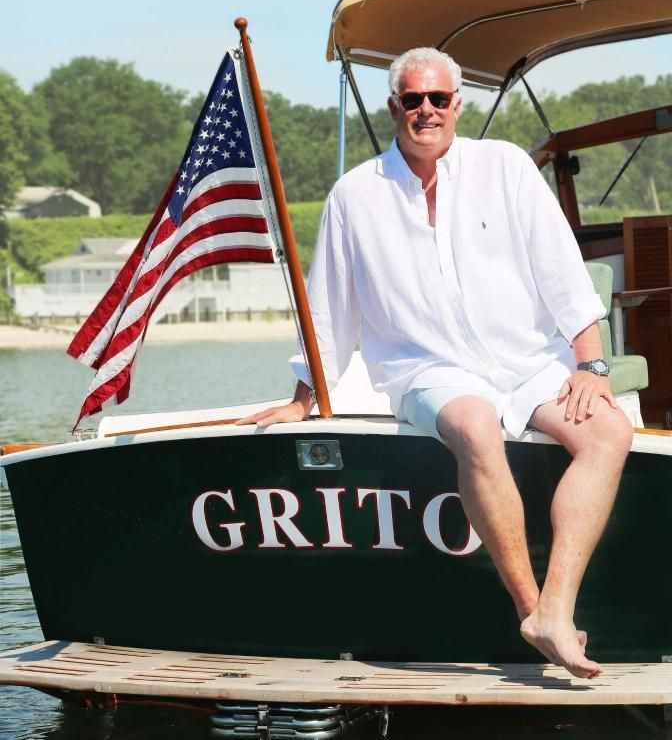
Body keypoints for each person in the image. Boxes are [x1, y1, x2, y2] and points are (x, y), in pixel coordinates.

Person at [238, 47, 633, 679]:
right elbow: (330, 308)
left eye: (439, 99)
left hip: (528, 359)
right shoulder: (353, 196)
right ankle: (529, 609)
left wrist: (590, 367)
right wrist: (304, 395)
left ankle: (556, 610)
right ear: (395, 107)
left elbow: (564, 274)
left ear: (457, 104)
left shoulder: (504, 166)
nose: (427, 111)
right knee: (475, 426)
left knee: (610, 431)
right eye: (413, 100)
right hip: (427, 369)